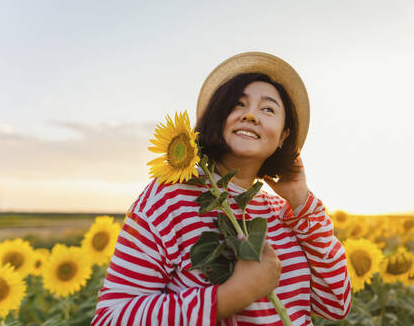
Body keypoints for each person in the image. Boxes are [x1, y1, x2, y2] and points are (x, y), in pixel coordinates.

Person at [91, 52, 351, 326]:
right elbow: (110, 317)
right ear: (218, 117)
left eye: (268, 109)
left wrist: (301, 200)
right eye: (237, 104)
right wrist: (231, 296)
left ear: (284, 136)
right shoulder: (170, 197)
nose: (250, 115)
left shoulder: (285, 213)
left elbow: (336, 304)